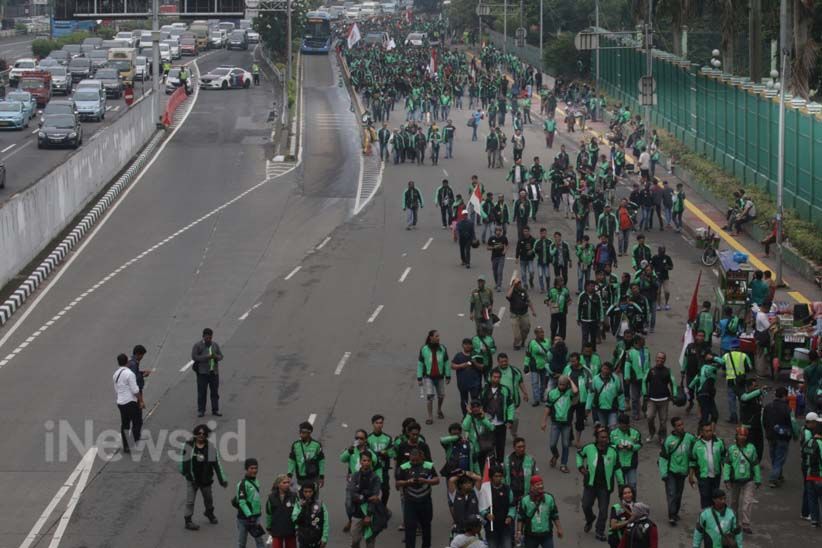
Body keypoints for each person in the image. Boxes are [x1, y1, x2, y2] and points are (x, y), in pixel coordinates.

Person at [578, 427, 625, 541]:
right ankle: (590, 519)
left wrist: (621, 483)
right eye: (602, 437)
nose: (605, 439)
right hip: (590, 484)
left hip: (605, 487)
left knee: (603, 511)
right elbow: (579, 454)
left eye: (606, 437)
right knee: (586, 505)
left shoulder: (613, 451)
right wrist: (581, 467)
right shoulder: (589, 448)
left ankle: (600, 531)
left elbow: (617, 468)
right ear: (597, 438)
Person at [180, 424, 227, 530]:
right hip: (192, 480)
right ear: (195, 433)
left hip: (205, 480)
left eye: (203, 433)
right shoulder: (189, 445)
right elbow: (182, 461)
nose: (201, 435)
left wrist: (222, 479)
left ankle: (209, 513)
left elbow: (216, 465)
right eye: (199, 433)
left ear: (206, 435)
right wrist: (185, 472)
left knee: (208, 499)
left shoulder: (210, 448)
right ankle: (188, 521)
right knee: (190, 501)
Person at [396, 448, 440, 548]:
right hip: (410, 502)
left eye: (417, 460)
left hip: (425, 501)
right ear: (409, 458)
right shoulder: (404, 467)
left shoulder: (428, 466)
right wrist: (408, 482)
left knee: (426, 527)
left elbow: (437, 480)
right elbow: (398, 483)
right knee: (410, 528)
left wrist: (425, 481)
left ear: (421, 458)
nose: (415, 462)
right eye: (413, 460)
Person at [659, 416, 697, 525]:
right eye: (678, 425)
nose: (681, 427)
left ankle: (675, 512)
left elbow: (695, 449)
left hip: (683, 472)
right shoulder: (668, 440)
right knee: (671, 492)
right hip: (671, 471)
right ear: (674, 427)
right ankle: (671, 515)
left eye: (682, 424)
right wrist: (664, 473)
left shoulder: (690, 438)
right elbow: (663, 457)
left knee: (678, 494)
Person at [723, 426, 761, 534]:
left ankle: (746, 524)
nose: (742, 437)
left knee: (747, 502)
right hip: (735, 480)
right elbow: (727, 465)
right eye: (740, 435)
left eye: (744, 435)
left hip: (749, 480)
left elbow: (755, 464)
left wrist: (758, 479)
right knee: (734, 503)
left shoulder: (751, 448)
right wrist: (726, 478)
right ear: (736, 436)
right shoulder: (731, 449)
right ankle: (734, 523)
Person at [541, 374, 579, 473]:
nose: (561, 386)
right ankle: (556, 455)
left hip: (566, 424)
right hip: (555, 423)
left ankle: (563, 464)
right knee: (552, 444)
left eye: (563, 384)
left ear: (567, 385)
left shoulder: (570, 393)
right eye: (559, 384)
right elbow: (547, 407)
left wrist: (570, 379)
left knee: (565, 444)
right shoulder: (552, 393)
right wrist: (544, 421)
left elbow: (575, 391)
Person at [346, 452, 382, 548]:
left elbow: (375, 497)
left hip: (370, 515)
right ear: (360, 462)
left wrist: (369, 515)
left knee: (370, 541)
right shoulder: (355, 476)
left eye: (368, 461)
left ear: (371, 462)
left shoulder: (375, 478)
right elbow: (353, 494)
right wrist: (365, 496)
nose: (366, 463)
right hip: (356, 513)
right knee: (355, 540)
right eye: (364, 460)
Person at [516, 475, 563, 547]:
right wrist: (519, 532)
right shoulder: (525, 500)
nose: (541, 486)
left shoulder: (549, 498)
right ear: (532, 487)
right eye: (538, 485)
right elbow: (520, 518)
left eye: (542, 484)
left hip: (546, 535)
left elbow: (554, 515)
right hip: (530, 536)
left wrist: (559, 528)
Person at [481, 367, 516, 462]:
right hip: (487, 423)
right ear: (490, 377)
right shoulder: (484, 390)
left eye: (498, 377)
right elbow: (479, 404)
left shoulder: (505, 390)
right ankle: (490, 467)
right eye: (494, 377)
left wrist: (510, 420)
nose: (496, 379)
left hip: (501, 424)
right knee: (488, 447)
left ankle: (500, 465)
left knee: (500, 447)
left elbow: (510, 406)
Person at [642, 352, 678, 444]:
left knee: (663, 421)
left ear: (664, 360)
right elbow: (644, 381)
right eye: (659, 357)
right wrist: (645, 393)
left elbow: (673, 383)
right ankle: (651, 433)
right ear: (656, 358)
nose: (660, 360)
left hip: (664, 400)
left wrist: (674, 394)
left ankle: (662, 436)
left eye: (662, 358)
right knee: (649, 417)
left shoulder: (668, 371)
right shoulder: (650, 370)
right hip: (652, 400)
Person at [689, 421, 726, 509]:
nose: (709, 433)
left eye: (710, 430)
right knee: (705, 496)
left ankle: (714, 515)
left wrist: (727, 475)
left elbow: (724, 458)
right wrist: (691, 476)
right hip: (703, 476)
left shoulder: (719, 442)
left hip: (716, 475)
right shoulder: (696, 444)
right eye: (706, 431)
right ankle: (705, 515)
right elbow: (692, 461)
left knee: (715, 496)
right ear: (701, 432)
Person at [417, 329, 450, 425]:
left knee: (441, 396)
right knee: (429, 396)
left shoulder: (443, 348)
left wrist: (448, 376)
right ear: (431, 337)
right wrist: (419, 378)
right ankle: (430, 417)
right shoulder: (424, 349)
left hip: (440, 377)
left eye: (438, 336)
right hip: (428, 377)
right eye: (436, 336)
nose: (438, 338)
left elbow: (446, 363)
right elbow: (420, 364)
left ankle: (439, 409)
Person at [763, 386, 794, 487]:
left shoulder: (768, 406)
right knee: (779, 458)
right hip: (783, 437)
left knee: (774, 457)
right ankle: (773, 479)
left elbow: (764, 421)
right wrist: (795, 435)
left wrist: (767, 432)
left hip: (771, 436)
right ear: (785, 396)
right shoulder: (787, 408)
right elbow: (792, 423)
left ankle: (778, 475)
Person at [191, 327, 223, 417]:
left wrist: (215, 356)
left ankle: (215, 410)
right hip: (202, 373)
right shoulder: (198, 345)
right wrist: (206, 357)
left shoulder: (215, 345)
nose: (209, 339)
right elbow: (194, 357)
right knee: (202, 392)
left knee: (215, 392)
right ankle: (201, 410)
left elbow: (221, 356)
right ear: (203, 336)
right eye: (207, 337)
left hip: (214, 372)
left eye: (210, 337)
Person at [481, 465, 515, 548]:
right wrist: (486, 514)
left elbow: (512, 506)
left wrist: (510, 516)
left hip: (505, 527)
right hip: (491, 528)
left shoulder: (507, 489)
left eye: (500, 476)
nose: (498, 478)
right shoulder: (486, 489)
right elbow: (481, 507)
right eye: (496, 476)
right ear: (491, 477)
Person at [113, 353, 140, 453]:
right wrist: (140, 400)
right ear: (127, 362)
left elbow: (116, 389)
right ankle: (133, 442)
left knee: (125, 424)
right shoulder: (129, 373)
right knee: (137, 422)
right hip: (130, 402)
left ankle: (126, 446)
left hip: (121, 402)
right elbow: (135, 390)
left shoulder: (115, 374)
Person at [236, 458, 266, 548]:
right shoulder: (242, 484)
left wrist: (255, 515)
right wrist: (250, 516)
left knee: (260, 542)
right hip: (244, 519)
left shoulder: (256, 481)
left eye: (256, 468)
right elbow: (242, 503)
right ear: (246, 469)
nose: (254, 470)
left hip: (255, 517)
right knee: (242, 543)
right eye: (251, 468)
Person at [587, 362, 626, 429]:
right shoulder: (595, 379)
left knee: (612, 427)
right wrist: (588, 407)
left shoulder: (616, 379)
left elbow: (620, 394)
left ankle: (611, 438)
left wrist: (622, 408)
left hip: (613, 408)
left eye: (608, 369)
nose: (605, 371)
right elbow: (591, 393)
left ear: (610, 370)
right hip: (600, 409)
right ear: (601, 368)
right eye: (604, 368)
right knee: (602, 428)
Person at [288, 421, 326, 489]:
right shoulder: (295, 445)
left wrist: (321, 476)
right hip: (301, 478)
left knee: (314, 498)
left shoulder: (316, 445)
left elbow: (321, 461)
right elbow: (292, 461)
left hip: (314, 477)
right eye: (300, 432)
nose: (301, 435)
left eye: (303, 433)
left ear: (309, 433)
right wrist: (289, 475)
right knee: (301, 497)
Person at [292, 482, 329, 548]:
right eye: (305, 492)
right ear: (302, 492)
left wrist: (324, 538)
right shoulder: (298, 505)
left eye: (310, 491)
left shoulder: (320, 504)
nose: (308, 494)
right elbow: (296, 520)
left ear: (313, 492)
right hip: (303, 540)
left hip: (317, 539)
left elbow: (326, 522)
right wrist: (303, 508)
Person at [610, 414, 642, 492]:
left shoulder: (635, 433)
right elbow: (609, 446)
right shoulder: (613, 433)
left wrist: (632, 447)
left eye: (626, 425)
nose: (624, 427)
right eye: (622, 425)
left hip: (631, 464)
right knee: (622, 487)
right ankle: (623, 503)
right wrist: (617, 447)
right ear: (619, 424)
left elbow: (639, 445)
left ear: (628, 424)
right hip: (618, 465)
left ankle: (632, 502)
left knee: (633, 485)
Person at [723, 344, 752, 424]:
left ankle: (733, 417)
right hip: (741, 381)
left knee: (731, 400)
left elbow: (722, 366)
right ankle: (743, 418)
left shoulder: (726, 356)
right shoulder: (743, 356)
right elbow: (749, 368)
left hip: (730, 380)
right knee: (742, 399)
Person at [126, 344, 150, 441]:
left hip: (133, 393)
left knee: (136, 416)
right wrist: (143, 375)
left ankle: (136, 435)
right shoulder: (133, 364)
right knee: (137, 417)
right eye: (142, 355)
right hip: (135, 393)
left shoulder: (132, 362)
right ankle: (136, 436)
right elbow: (133, 379)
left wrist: (141, 372)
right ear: (138, 354)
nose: (142, 357)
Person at [507, 277, 537, 351]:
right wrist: (513, 286)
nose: (519, 284)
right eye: (517, 283)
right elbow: (508, 296)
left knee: (526, 328)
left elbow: (528, 301)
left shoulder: (523, 291)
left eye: (520, 283)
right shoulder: (512, 292)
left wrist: (533, 311)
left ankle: (522, 340)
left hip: (524, 313)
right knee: (517, 334)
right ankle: (516, 344)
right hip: (514, 315)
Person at [525, 327, 552, 406]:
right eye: (540, 332)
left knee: (544, 383)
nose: (542, 334)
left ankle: (541, 396)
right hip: (534, 366)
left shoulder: (547, 341)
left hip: (545, 366)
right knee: (534, 383)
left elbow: (550, 352)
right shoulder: (532, 343)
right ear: (536, 334)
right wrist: (526, 365)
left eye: (543, 332)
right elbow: (528, 354)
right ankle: (536, 399)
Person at [578, 280, 603, 350]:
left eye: (593, 286)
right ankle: (583, 351)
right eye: (590, 286)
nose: (592, 288)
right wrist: (578, 318)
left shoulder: (597, 296)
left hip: (594, 320)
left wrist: (601, 319)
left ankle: (593, 351)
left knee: (593, 337)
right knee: (585, 337)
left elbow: (600, 308)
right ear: (586, 287)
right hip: (584, 320)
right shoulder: (582, 296)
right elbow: (579, 308)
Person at [487, 227, 508, 292]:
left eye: (499, 231)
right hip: (494, 257)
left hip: (501, 257)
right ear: (495, 231)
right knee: (495, 272)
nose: (498, 232)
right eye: (497, 231)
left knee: (499, 271)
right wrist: (494, 247)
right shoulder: (492, 238)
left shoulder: (504, 238)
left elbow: (506, 245)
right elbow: (488, 247)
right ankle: (497, 283)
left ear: (501, 231)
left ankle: (499, 285)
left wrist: (505, 250)